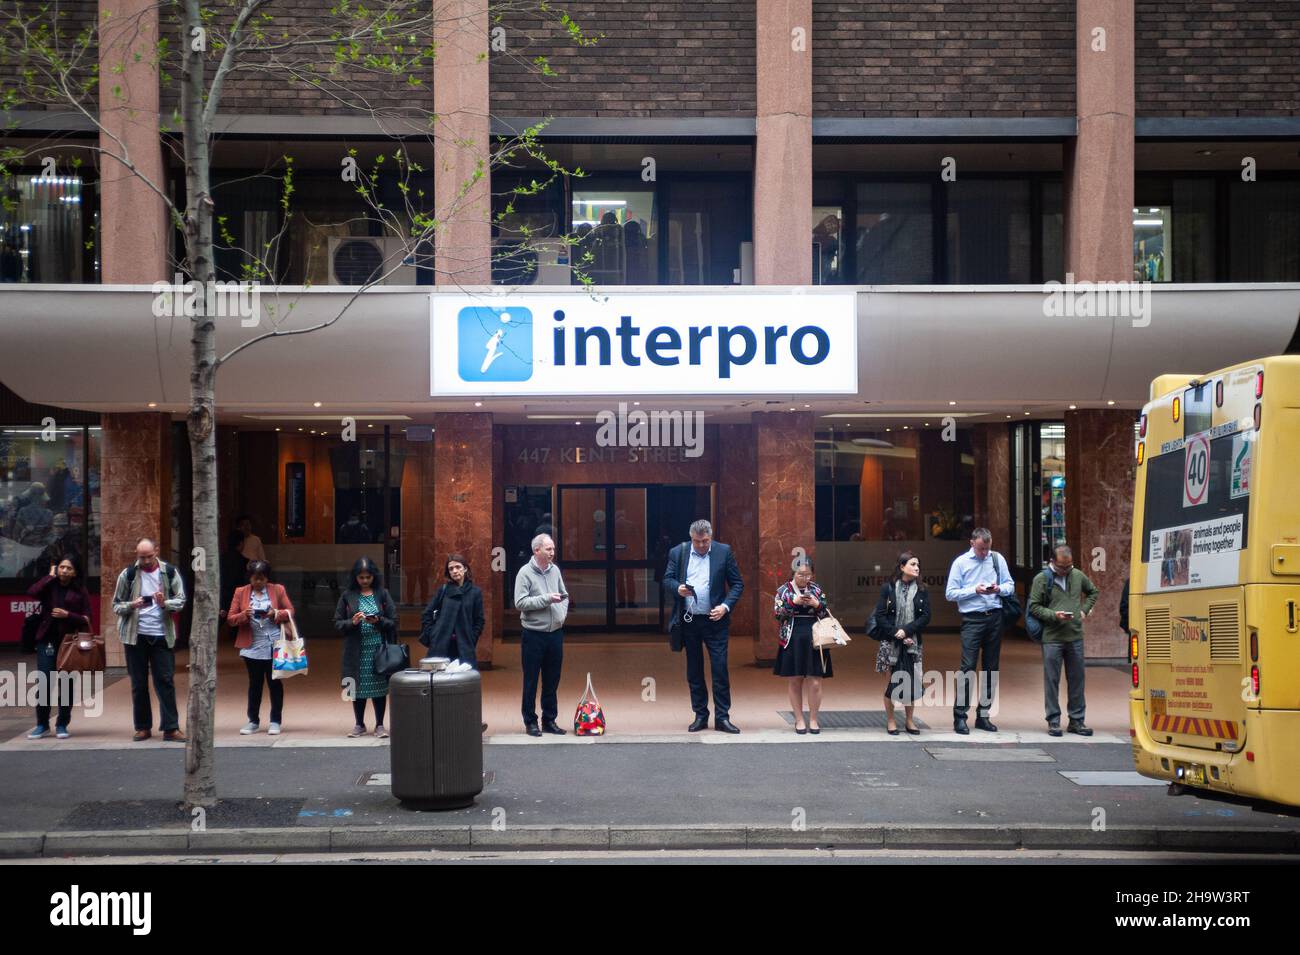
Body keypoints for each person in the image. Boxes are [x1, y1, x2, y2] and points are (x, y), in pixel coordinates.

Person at [663, 519, 744, 733]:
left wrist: (725, 606)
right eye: (697, 542)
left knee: (719, 668)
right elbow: (667, 579)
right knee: (694, 669)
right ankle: (700, 715)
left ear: (711, 537)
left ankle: (722, 717)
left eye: (705, 541)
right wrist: (677, 588)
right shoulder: (678, 552)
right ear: (691, 538)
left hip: (715, 620)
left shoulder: (723, 552)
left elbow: (737, 584)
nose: (701, 545)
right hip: (689, 620)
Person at [112, 537, 188, 742]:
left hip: (162, 634)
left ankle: (171, 728)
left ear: (156, 551)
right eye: (141, 557)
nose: (145, 561)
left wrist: (165, 603)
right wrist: (132, 605)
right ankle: (143, 727)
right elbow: (116, 605)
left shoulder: (169, 572)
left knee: (165, 681)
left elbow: (181, 600)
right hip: (135, 636)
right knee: (138, 683)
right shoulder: (128, 574)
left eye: (149, 556)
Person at [944, 527, 1013, 735]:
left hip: (994, 616)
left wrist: (998, 588)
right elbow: (950, 593)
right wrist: (974, 590)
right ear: (972, 543)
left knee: (991, 667)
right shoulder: (961, 563)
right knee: (968, 667)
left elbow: (1010, 585)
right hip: (972, 618)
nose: (984, 553)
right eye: (981, 549)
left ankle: (984, 715)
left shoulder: (997, 559)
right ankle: (960, 717)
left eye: (987, 549)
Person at [1027, 544, 1099, 737]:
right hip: (1052, 638)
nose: (1066, 571)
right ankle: (1053, 721)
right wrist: (1053, 615)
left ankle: (1077, 721)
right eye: (1062, 567)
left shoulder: (1077, 575)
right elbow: (1033, 607)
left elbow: (1093, 591)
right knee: (1052, 680)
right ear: (1052, 562)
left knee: (1077, 680)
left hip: (1075, 636)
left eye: (1069, 566)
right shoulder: (1042, 579)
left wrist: (1084, 610)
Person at [25, 557, 93, 739]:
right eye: (61, 567)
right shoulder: (49, 585)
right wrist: (49, 576)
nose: (64, 571)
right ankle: (42, 724)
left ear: (74, 572)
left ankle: (62, 724)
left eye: (68, 568)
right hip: (47, 640)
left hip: (69, 643)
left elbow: (87, 618)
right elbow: (32, 592)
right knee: (45, 681)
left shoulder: (80, 590)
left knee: (66, 684)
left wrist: (68, 615)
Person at [227, 560, 295, 735]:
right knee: (254, 684)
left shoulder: (277, 589)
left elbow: (290, 610)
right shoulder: (240, 592)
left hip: (275, 644)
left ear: (267, 578)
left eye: (262, 579)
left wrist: (276, 613)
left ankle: (275, 721)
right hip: (252, 647)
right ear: (249, 577)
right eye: (255, 579)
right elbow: (231, 618)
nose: (258, 582)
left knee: (275, 683)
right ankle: (253, 720)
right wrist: (245, 614)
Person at [335, 556, 398, 738]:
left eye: (368, 577)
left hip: (378, 649)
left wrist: (378, 621)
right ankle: (359, 724)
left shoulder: (382, 593)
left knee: (379, 688)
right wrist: (352, 622)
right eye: (361, 577)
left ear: (374, 577)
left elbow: (394, 621)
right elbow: (337, 622)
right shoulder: (347, 595)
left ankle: (379, 725)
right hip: (356, 650)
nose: (364, 581)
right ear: (355, 577)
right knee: (356, 688)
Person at [870, 551, 932, 735]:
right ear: (902, 567)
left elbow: (926, 616)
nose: (916, 568)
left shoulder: (922, 590)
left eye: (918, 565)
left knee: (910, 681)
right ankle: (891, 720)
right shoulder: (888, 588)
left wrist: (908, 631)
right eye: (913, 564)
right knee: (892, 682)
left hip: (912, 642)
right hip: (891, 642)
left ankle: (910, 721)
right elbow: (880, 616)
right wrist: (896, 632)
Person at [513, 533, 569, 736]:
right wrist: (546, 599)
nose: (552, 552)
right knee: (531, 680)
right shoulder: (524, 573)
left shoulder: (555, 571)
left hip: (555, 633)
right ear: (537, 550)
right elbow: (520, 603)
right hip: (533, 634)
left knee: (552, 679)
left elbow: (564, 595)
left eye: (553, 549)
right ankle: (530, 721)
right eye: (548, 549)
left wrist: (561, 613)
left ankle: (549, 720)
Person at [773, 555, 832, 734]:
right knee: (795, 680)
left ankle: (813, 719)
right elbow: (778, 614)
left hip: (816, 637)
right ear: (793, 572)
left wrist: (816, 604)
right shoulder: (783, 590)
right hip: (793, 638)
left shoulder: (816, 589)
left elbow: (826, 614)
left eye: (808, 575)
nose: (805, 578)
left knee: (815, 681)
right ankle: (799, 719)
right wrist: (794, 602)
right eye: (800, 574)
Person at [420, 554, 485, 667]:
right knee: (440, 681)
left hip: (464, 645)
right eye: (451, 569)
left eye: (458, 567)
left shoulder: (475, 592)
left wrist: (472, 638)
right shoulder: (443, 590)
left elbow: (479, 620)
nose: (455, 571)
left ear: (465, 569)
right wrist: (433, 634)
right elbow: (427, 613)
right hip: (441, 644)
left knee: (463, 681)